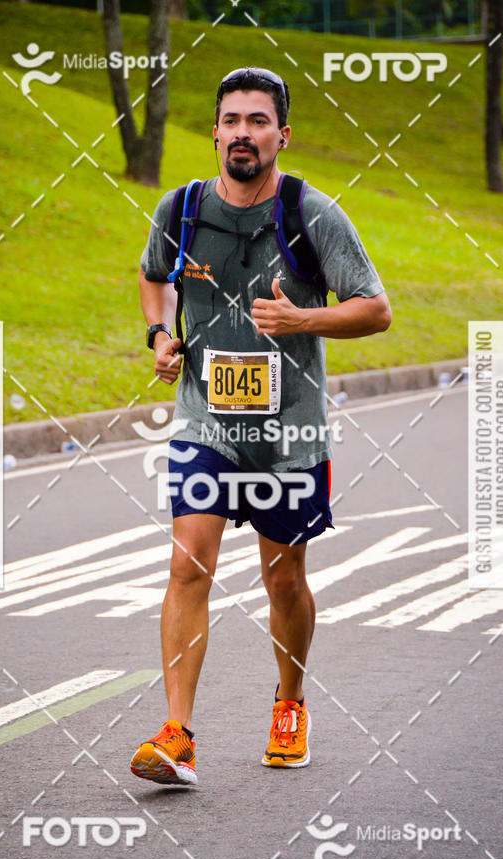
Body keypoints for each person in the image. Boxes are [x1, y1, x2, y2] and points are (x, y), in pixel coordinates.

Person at [130, 67, 391, 786]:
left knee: (284, 578)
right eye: (231, 120)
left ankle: (290, 702)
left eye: (257, 121)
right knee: (189, 564)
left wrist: (304, 318)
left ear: (282, 134)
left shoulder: (314, 213)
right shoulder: (180, 209)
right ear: (214, 131)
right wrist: (159, 335)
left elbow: (375, 308)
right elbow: (155, 273)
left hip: (290, 433)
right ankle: (178, 732)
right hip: (204, 421)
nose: (243, 133)